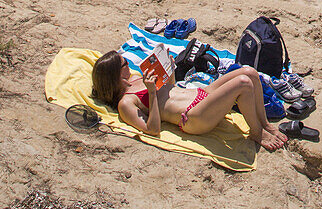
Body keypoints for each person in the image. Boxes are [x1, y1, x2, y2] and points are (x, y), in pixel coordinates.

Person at [91, 50, 287, 151]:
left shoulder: (135, 77)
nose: (128, 63)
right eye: (124, 63)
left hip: (200, 95)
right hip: (192, 117)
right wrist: (151, 92)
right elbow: (153, 130)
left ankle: (265, 124)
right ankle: (255, 132)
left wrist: (169, 69)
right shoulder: (125, 103)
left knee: (249, 73)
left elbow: (169, 89)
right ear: (117, 75)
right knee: (243, 83)